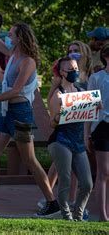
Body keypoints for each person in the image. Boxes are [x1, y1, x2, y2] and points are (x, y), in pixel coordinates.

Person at [0, 22, 60, 218]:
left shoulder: (28, 61)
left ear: (20, 37)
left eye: (11, 34)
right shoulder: (12, 53)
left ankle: (52, 203)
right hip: (6, 113)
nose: (8, 36)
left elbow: (16, 91)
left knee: (29, 159)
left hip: (20, 112)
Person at [48, 57, 93, 220]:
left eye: (75, 69)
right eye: (70, 70)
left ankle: (78, 215)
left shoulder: (82, 93)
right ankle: (66, 215)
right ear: (61, 72)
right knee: (65, 181)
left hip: (78, 143)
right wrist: (60, 116)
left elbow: (90, 113)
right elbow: (52, 123)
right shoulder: (58, 95)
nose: (74, 72)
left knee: (87, 183)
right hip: (61, 140)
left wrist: (96, 106)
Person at [85, 43, 109, 222]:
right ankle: (102, 214)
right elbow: (88, 107)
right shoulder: (96, 77)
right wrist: (87, 133)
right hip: (101, 125)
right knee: (104, 171)